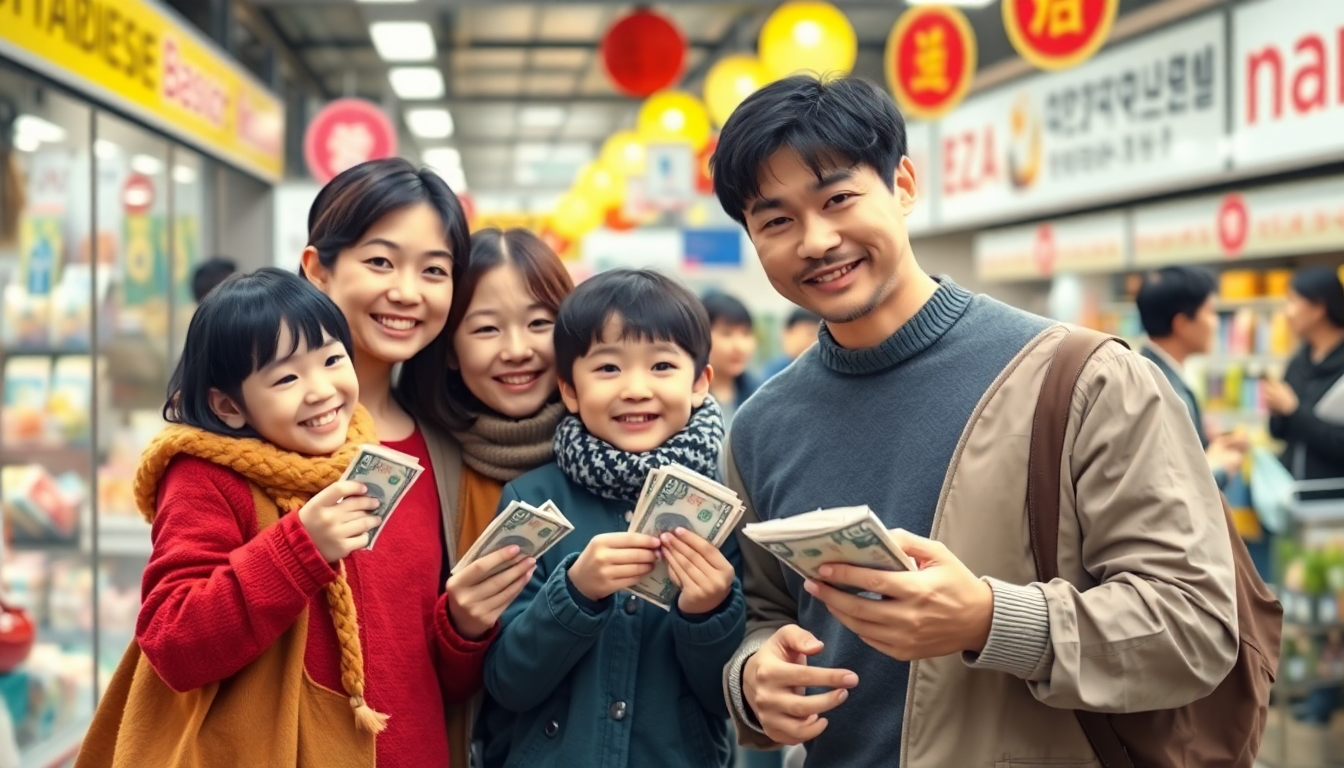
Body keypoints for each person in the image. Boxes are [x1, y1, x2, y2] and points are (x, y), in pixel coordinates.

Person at [710, 76, 1238, 766]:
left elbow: (1195, 626)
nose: (815, 240)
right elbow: (762, 613)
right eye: (776, 221)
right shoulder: (760, 427)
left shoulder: (1082, 378)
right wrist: (752, 677)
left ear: (902, 184)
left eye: (838, 198)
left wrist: (991, 620)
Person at [76, 269, 465, 767]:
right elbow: (172, 640)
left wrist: (465, 626)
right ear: (228, 405)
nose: (321, 390)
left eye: (331, 359)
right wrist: (302, 547)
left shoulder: (372, 461)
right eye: (286, 377)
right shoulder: (205, 478)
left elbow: (407, 645)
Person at [300, 158, 533, 768]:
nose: (406, 291)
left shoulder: (451, 458)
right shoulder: (251, 440)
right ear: (317, 270)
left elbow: (441, 683)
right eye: (380, 261)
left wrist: (464, 628)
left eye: (434, 270)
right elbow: (180, 638)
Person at [479, 269, 746, 768]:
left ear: (699, 383)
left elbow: (725, 698)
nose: (636, 389)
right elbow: (507, 682)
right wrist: (575, 593)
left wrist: (709, 611)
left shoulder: (724, 503)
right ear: (570, 390)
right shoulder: (533, 500)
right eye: (608, 369)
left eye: (662, 366)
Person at [406, 227, 574, 556]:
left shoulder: (616, 451)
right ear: (451, 351)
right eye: (487, 328)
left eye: (539, 323)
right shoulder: (422, 462)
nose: (516, 350)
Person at [1135, 266, 1249, 488]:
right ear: (1181, 324)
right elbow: (1170, 486)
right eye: (1210, 312)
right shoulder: (1161, 388)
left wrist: (1208, 443)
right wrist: (1218, 467)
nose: (1216, 323)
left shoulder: (1149, 373)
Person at [702, 291, 760, 426]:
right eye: (726, 334)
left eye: (746, 334)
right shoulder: (686, 398)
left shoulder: (758, 394)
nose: (740, 346)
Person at [762, 308, 821, 379]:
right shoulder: (775, 371)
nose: (815, 341)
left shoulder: (816, 369)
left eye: (818, 335)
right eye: (810, 334)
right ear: (788, 332)